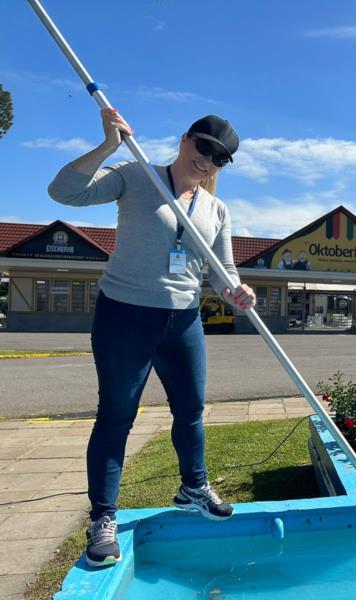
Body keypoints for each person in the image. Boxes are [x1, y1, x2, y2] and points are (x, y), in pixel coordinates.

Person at [48, 109, 256, 568]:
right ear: (185, 140)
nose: (208, 161)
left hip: (182, 321)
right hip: (125, 315)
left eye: (219, 158)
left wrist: (237, 292)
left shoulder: (216, 209)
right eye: (204, 148)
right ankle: (103, 517)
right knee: (117, 416)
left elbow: (222, 275)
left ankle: (192, 487)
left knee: (191, 410)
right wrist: (108, 145)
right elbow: (63, 192)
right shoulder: (135, 176)